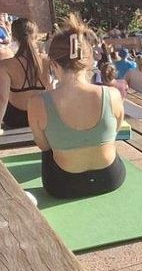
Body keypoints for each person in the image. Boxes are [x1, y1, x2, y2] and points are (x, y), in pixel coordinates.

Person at [28, 16, 125, 198]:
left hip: (62, 186)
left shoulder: (37, 103)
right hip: (110, 178)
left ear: (54, 64)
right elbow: (114, 132)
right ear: (88, 62)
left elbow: (44, 145)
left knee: (50, 150)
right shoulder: (112, 95)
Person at [0, 18, 52, 135]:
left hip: (15, 119)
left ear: (13, 37)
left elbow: (2, 98)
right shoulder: (46, 61)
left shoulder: (4, 65)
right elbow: (52, 92)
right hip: (42, 116)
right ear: (36, 36)